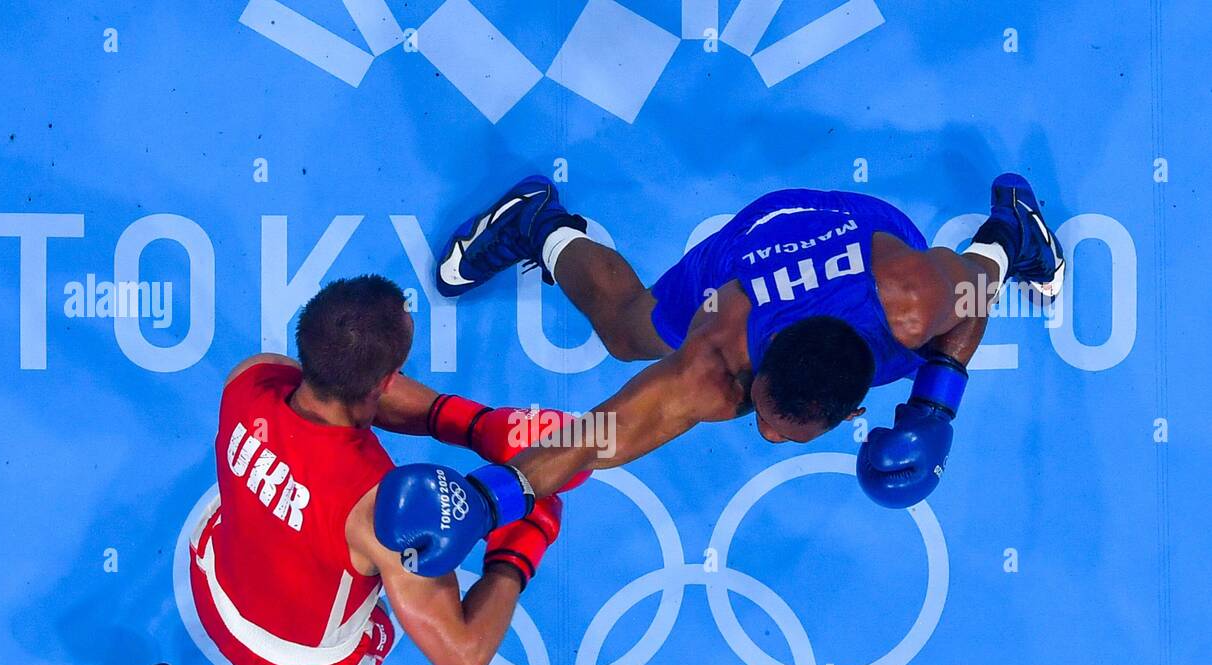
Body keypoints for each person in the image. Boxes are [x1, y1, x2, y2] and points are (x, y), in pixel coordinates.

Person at [377, 174, 1064, 575]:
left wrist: (934, 408)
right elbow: (594, 437)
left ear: (852, 408)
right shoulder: (714, 361)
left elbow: (978, 286)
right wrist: (486, 500)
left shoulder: (915, 299)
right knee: (629, 332)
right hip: (758, 248)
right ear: (754, 373)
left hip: (868, 240)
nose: (766, 435)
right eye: (764, 413)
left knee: (969, 288)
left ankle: (1019, 227)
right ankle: (539, 222)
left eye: (787, 430)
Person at [125, 275, 585, 665]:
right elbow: (465, 657)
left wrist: (476, 427)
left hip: (212, 584)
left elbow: (341, 392)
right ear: (387, 381)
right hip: (293, 659)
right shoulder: (379, 511)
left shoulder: (251, 377)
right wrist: (521, 541)